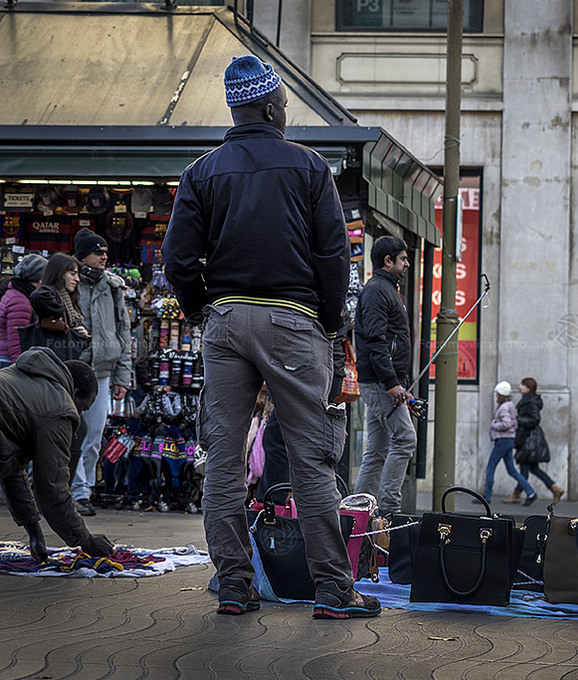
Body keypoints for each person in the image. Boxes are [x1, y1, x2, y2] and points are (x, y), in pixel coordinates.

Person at [162, 55, 378, 619]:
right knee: (311, 460)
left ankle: (235, 584)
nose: (284, 111)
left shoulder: (202, 172)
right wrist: (331, 325)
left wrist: (202, 314)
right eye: (282, 102)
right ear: (267, 106)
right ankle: (334, 591)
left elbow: (178, 259)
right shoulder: (308, 168)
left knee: (225, 459)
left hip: (226, 321)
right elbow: (334, 255)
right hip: (292, 320)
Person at [0, 347, 115, 562]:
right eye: (82, 408)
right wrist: (86, 540)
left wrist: (35, 534)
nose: (78, 415)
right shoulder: (60, 407)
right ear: (75, 393)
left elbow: (11, 469)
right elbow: (52, 488)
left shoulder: (20, 378)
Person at [70, 227, 132, 518]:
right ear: (83, 255)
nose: (104, 256)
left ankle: (84, 492)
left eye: (106, 251)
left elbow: (124, 332)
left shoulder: (112, 286)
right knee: (67, 432)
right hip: (72, 369)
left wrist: (122, 377)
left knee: (93, 435)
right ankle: (71, 490)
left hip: (103, 373)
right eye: (98, 252)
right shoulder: (68, 282)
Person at [353, 236, 416, 518]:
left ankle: (356, 512)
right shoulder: (378, 291)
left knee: (377, 449)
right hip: (380, 383)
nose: (407, 263)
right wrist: (391, 383)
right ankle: (389, 510)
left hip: (383, 382)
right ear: (387, 261)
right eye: (402, 259)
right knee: (405, 439)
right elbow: (375, 340)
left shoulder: (384, 289)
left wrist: (397, 383)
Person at [506, 377, 564, 506]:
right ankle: (555, 489)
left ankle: (522, 494)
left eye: (523, 385)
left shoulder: (531, 402)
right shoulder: (527, 400)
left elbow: (535, 419)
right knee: (532, 468)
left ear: (529, 388)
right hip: (527, 437)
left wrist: (517, 420)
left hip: (529, 439)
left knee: (525, 468)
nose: (520, 387)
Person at [481, 381, 535, 505]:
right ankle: (531, 492)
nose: (495, 395)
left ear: (501, 394)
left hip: (503, 440)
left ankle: (486, 496)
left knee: (491, 466)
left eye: (497, 393)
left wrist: (494, 425)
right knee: (511, 470)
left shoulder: (504, 407)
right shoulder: (510, 405)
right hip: (508, 440)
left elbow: (507, 423)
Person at [0, 253, 47, 368]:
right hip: (8, 361)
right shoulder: (21, 301)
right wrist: (20, 368)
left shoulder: (14, 292)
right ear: (40, 279)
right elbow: (17, 339)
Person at [39, 253, 89, 339]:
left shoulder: (69, 299)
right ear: (59, 274)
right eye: (73, 274)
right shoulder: (47, 296)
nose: (77, 279)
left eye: (77, 275)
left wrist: (81, 335)